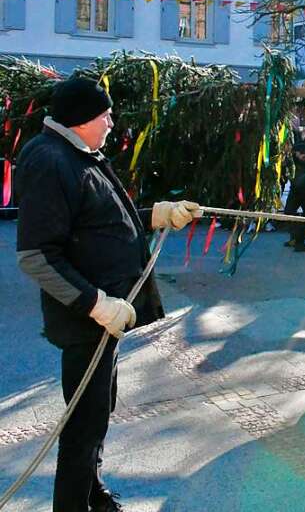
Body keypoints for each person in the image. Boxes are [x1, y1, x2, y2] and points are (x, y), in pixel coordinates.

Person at [15, 77, 201, 512]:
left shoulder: (78, 154)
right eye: (105, 115)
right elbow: (36, 255)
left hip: (106, 318)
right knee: (83, 421)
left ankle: (91, 490)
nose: (111, 122)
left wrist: (157, 215)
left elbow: (100, 219)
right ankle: (73, 504)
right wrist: (96, 305)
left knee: (99, 410)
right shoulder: (50, 161)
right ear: (80, 120)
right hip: (87, 319)